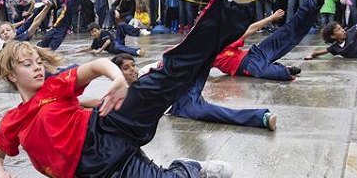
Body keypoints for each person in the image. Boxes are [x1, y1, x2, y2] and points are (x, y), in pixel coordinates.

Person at [0, 0, 274, 178]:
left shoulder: (55, 85)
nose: (37, 67)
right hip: (103, 173)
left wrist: (117, 78)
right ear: (11, 74)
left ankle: (230, 3)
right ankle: (192, 168)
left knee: (171, 76)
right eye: (27, 65)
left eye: (38, 61)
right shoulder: (13, 120)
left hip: (107, 123)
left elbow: (98, 65)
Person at [96, 54, 277, 131]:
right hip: (180, 106)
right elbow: (101, 102)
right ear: (117, 73)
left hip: (184, 88)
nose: (133, 70)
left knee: (201, 60)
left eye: (133, 65)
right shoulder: (122, 95)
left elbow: (169, 66)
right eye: (126, 68)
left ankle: (216, 43)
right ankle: (261, 118)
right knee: (211, 113)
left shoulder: (146, 71)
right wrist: (79, 102)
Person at [213, 0, 326, 81]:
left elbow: (250, 30)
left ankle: (315, 1)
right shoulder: (205, 55)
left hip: (253, 55)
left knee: (287, 33)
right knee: (281, 75)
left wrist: (271, 18)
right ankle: (286, 69)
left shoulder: (220, 41)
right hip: (248, 66)